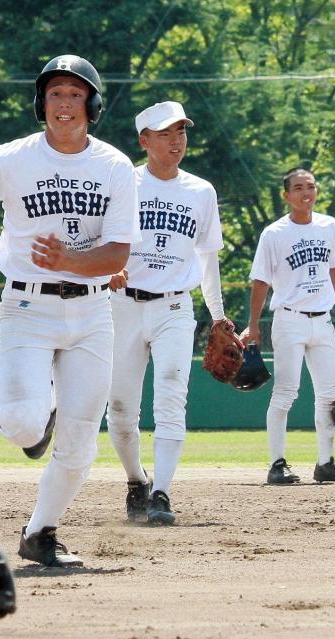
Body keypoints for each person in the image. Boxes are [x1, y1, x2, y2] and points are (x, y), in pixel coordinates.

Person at [0, 54, 139, 567]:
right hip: (27, 306)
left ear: (92, 105)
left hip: (92, 313)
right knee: (21, 425)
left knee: (81, 442)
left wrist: (71, 261)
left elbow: (118, 253)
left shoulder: (114, 166)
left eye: (75, 94)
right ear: (40, 104)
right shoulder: (11, 158)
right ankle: (42, 414)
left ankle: (40, 532)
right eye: (54, 94)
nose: (64, 103)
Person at [105, 101, 231, 526]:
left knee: (172, 397)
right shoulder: (123, 182)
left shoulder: (201, 191)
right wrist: (103, 272)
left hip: (175, 306)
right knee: (120, 410)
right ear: (144, 140)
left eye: (181, 132)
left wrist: (218, 315)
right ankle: (136, 480)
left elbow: (208, 259)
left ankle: (162, 492)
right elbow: (99, 241)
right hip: (122, 305)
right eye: (165, 134)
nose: (176, 141)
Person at [247, 167, 335, 485]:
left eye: (310, 186)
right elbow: (260, 281)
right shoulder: (274, 233)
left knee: (329, 394)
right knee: (285, 393)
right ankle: (277, 464)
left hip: (322, 320)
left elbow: (333, 267)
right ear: (286, 195)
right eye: (298, 187)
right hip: (289, 320)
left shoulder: (329, 225)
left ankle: (326, 463)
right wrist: (253, 326)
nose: (305, 192)